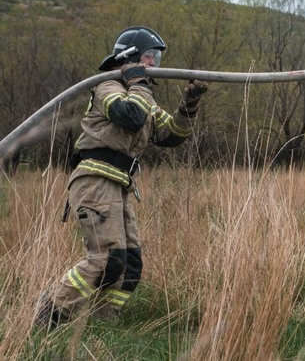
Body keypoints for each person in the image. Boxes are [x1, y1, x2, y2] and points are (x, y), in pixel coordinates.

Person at [36, 26, 208, 329]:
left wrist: (188, 107)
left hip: (118, 184)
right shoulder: (108, 86)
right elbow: (129, 115)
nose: (155, 64)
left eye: (156, 58)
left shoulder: (142, 96)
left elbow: (171, 135)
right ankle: (46, 317)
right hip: (94, 180)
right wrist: (139, 82)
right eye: (149, 57)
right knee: (105, 259)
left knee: (129, 264)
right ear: (129, 58)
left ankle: (102, 324)